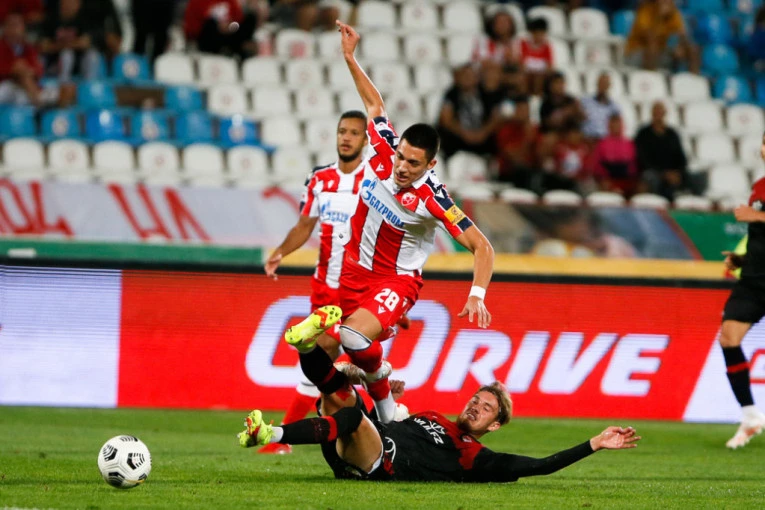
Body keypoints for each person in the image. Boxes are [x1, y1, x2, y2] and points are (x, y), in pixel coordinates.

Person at [284, 20, 495, 425]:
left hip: (395, 281)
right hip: (353, 272)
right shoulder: (382, 150)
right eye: (401, 156)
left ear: (430, 165)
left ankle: (379, 385)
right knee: (320, 352)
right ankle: (374, 411)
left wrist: (477, 295)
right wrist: (350, 57)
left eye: (413, 163)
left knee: (352, 337)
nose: (401, 167)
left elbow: (482, 246)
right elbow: (374, 104)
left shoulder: (435, 198)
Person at [237, 320, 642, 482]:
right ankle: (305, 344)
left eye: (486, 408)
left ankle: (271, 433)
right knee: (339, 390)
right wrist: (386, 401)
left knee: (352, 417)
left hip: (376, 465)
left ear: (495, 425)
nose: (475, 407)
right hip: (361, 444)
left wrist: (594, 444)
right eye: (476, 399)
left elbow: (540, 466)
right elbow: (388, 423)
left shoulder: (476, 457)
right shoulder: (431, 416)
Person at [260, 110, 408, 454]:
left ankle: (386, 431)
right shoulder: (320, 179)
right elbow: (304, 225)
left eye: (354, 133)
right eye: (343, 131)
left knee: (340, 360)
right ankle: (388, 428)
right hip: (326, 288)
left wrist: (394, 295)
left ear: (365, 140)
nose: (346, 137)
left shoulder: (375, 180)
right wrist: (280, 252)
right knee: (328, 358)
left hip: (364, 288)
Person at [717, 131, 765, 449]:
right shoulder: (759, 186)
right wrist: (743, 259)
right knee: (728, 338)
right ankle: (750, 416)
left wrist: (757, 215)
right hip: (754, 280)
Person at [0, 13, 75, 107]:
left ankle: (41, 102)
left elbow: (38, 70)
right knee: (20, 84)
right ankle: (41, 102)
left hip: (27, 87)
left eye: (17, 25)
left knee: (69, 90)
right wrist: (13, 69)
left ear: (23, 28)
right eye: (11, 25)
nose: (14, 29)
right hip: (6, 85)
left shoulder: (28, 48)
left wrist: (26, 71)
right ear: (5, 28)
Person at [437, 63, 502, 160]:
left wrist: (483, 133)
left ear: (477, 78)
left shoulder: (485, 92)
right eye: (464, 76)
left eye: (470, 76)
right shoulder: (452, 94)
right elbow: (446, 120)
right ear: (458, 78)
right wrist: (465, 134)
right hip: (459, 137)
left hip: (482, 136)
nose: (467, 79)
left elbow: (496, 116)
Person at [625, 0, 700, 74]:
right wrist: (659, 17)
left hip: (660, 53)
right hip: (636, 53)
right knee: (653, 45)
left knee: (692, 49)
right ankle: (651, 77)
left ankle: (693, 78)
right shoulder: (645, 11)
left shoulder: (673, 13)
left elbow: (683, 35)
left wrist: (680, 47)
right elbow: (649, 38)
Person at [634, 101, 688, 201]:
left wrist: (677, 172)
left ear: (664, 113)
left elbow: (681, 157)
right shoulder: (643, 134)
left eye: (660, 112)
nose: (658, 115)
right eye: (656, 112)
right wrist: (663, 174)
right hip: (653, 172)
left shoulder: (672, 134)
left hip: (672, 173)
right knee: (650, 177)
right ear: (652, 113)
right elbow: (642, 159)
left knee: (695, 177)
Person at [40, 0, 101, 81]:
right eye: (68, 2)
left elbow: (85, 43)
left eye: (73, 2)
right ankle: (64, 83)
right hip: (55, 63)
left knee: (93, 55)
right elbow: (44, 47)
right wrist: (73, 44)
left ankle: (89, 83)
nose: (70, 5)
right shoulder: (51, 20)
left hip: (79, 63)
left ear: (79, 5)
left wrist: (59, 45)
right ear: (61, 3)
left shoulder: (83, 20)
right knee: (67, 54)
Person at [184, 0, 258, 58]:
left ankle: (239, 50)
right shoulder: (196, 2)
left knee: (251, 18)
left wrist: (228, 26)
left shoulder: (230, 1)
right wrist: (218, 26)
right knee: (210, 23)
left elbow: (238, 20)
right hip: (208, 38)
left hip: (229, 34)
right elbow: (192, 29)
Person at [590, 114, 639, 196]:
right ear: (609, 126)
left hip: (626, 177)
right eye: (613, 124)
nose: (615, 127)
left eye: (617, 124)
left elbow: (633, 164)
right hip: (607, 178)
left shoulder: (629, 143)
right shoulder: (602, 143)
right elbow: (597, 165)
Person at [580, 71, 620, 142]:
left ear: (609, 85)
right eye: (601, 83)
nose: (603, 86)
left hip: (604, 142)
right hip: (587, 139)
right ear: (597, 84)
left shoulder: (614, 107)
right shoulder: (585, 102)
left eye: (605, 83)